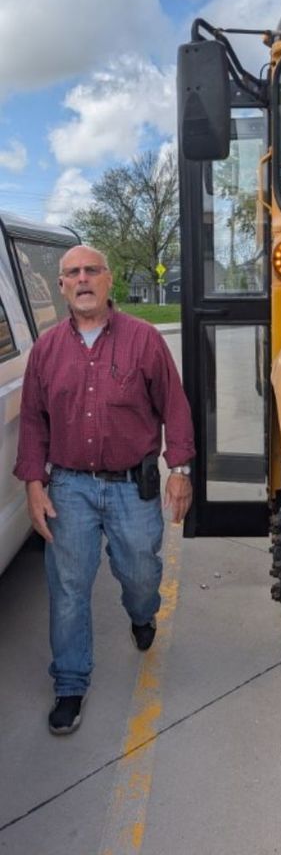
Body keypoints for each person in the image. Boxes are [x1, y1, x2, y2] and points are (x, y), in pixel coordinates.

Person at [14, 246, 195, 735]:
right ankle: (70, 682)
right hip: (68, 486)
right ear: (61, 287)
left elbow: (174, 407)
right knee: (68, 587)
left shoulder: (144, 340)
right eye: (73, 273)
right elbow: (32, 422)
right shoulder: (46, 352)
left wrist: (180, 469)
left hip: (130, 486)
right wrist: (35, 484)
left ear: (109, 280)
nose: (83, 279)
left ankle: (142, 613)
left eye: (92, 270)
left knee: (139, 571)